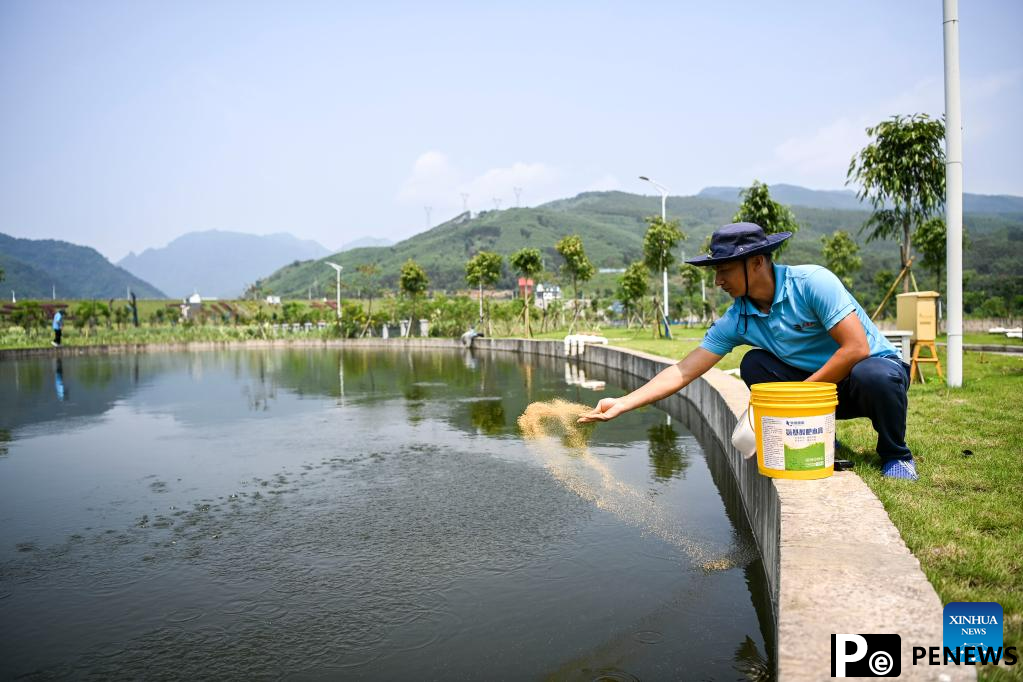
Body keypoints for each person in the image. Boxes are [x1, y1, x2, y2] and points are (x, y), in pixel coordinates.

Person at [579, 222, 918, 480]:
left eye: (724, 270)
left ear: (756, 263)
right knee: (754, 363)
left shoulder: (813, 282)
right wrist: (622, 404)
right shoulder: (738, 317)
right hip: (822, 392)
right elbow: (684, 370)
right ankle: (820, 435)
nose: (718, 281)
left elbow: (856, 348)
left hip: (868, 377)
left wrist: (798, 398)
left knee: (874, 373)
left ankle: (895, 454)